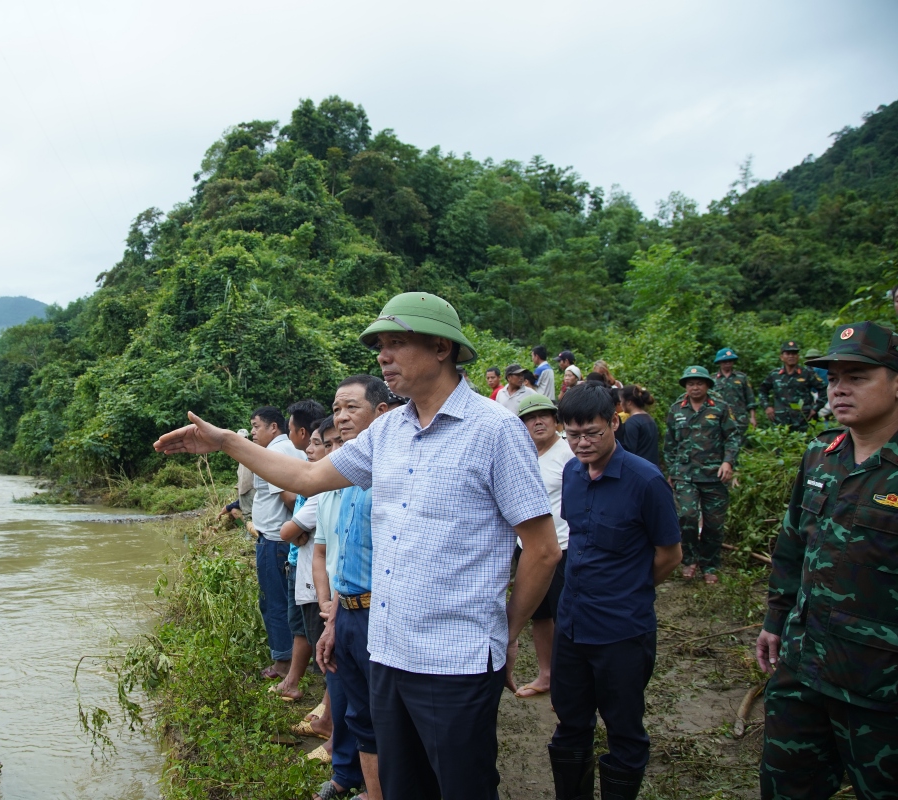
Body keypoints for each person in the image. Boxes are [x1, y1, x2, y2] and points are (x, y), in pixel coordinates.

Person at [155, 291, 561, 800]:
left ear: (441, 347)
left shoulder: (495, 430)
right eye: (380, 346)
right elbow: (306, 476)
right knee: (400, 785)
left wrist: (507, 630)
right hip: (387, 652)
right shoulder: (388, 430)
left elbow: (542, 549)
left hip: (455, 658)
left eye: (396, 343)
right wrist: (228, 442)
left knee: (463, 786)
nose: (382, 356)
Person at [755, 321, 898, 800]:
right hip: (802, 668)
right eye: (833, 378)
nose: (839, 388)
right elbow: (793, 544)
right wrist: (775, 619)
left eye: (857, 376)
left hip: (879, 687)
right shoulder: (822, 454)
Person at [550, 383, 682, 800]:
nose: (583, 443)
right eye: (573, 435)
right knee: (570, 723)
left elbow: (669, 554)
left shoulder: (645, 481)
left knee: (624, 729)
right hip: (571, 624)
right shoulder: (571, 473)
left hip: (622, 630)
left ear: (614, 423)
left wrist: (629, 590)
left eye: (593, 432)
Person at [313, 375, 392, 800]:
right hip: (350, 614)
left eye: (350, 409)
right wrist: (333, 623)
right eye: (336, 409)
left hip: (385, 614)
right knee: (362, 715)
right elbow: (343, 561)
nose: (340, 418)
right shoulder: (348, 481)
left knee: (392, 717)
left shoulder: (394, 475)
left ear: (381, 413)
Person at [511, 394, 574, 699]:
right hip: (527, 547)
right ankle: (546, 674)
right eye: (530, 418)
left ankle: (569, 684)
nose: (537, 422)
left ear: (555, 420)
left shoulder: (569, 454)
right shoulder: (522, 454)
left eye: (544, 416)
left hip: (563, 547)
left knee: (567, 617)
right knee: (540, 615)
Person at [271, 400, 327, 702]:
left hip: (309, 571)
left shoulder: (322, 487)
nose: (309, 450)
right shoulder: (312, 480)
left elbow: (289, 530)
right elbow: (295, 531)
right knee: (301, 627)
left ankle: (326, 708)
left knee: (312, 631)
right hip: (299, 562)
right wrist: (294, 533)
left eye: (320, 444)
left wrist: (292, 532)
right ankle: (294, 682)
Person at [664, 366, 740, 584]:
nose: (694, 387)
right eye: (690, 383)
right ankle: (689, 559)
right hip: (685, 475)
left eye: (699, 383)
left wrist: (728, 462)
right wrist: (672, 470)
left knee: (714, 523)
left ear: (707, 385)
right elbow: (669, 444)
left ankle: (710, 563)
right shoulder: (676, 409)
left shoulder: (720, 408)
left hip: (714, 475)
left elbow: (733, 437)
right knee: (686, 516)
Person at [249, 406, 307, 681]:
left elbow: (287, 496)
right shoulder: (295, 449)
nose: (252, 432)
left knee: (274, 602)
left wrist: (298, 529)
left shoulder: (273, 453)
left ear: (274, 427)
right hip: (284, 538)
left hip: (274, 539)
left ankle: (282, 664)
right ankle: (292, 660)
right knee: (290, 602)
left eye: (256, 426)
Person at [759, 340, 826, 431]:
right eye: (788, 353)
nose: (791, 356)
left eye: (794, 353)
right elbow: (762, 390)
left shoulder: (807, 373)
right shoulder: (775, 374)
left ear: (798, 356)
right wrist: (767, 407)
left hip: (804, 420)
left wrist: (815, 408)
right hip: (780, 421)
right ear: (782, 357)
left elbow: (824, 389)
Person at [712, 347, 757, 435]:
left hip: (740, 418)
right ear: (719, 362)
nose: (728, 363)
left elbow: (750, 399)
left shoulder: (741, 377)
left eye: (730, 360)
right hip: (719, 417)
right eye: (725, 361)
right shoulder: (713, 379)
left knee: (742, 445)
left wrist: (752, 417)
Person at [618, 385, 659, 466]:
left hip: (639, 469)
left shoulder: (632, 422)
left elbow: (629, 451)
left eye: (621, 400)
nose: (620, 404)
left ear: (629, 402)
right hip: (652, 468)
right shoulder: (649, 419)